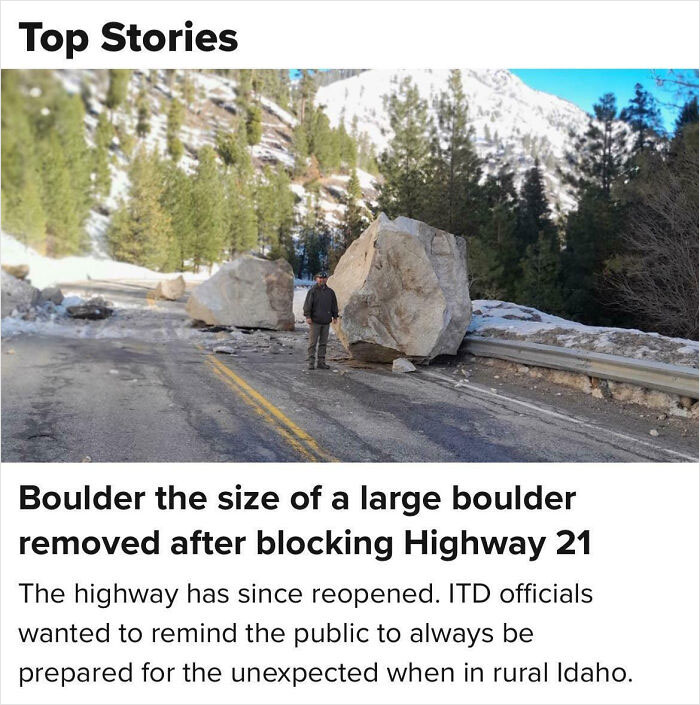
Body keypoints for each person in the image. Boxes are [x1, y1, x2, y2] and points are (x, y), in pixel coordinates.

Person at [303, 271, 338, 370]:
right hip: (315, 321)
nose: (322, 279)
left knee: (323, 343)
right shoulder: (312, 291)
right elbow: (307, 305)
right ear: (316, 279)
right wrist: (308, 316)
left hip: (326, 322)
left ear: (327, 279)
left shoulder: (330, 292)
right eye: (320, 278)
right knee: (312, 343)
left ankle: (321, 362)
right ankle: (311, 362)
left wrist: (335, 316)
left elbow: (334, 305)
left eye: (324, 278)